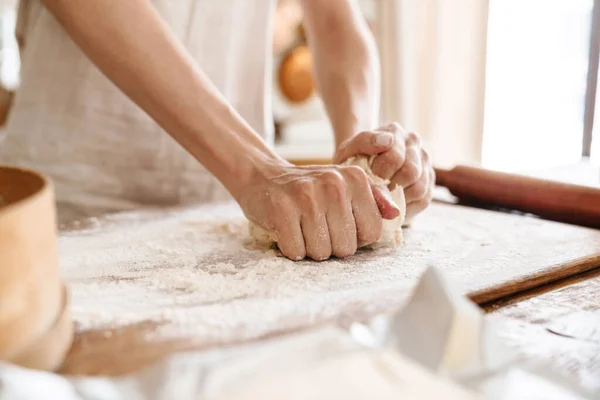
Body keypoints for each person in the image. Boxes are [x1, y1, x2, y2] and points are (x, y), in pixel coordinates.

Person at [0, 0, 434, 260]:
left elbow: (336, 21)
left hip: (223, 223)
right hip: (68, 210)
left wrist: (361, 164)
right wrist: (256, 170)